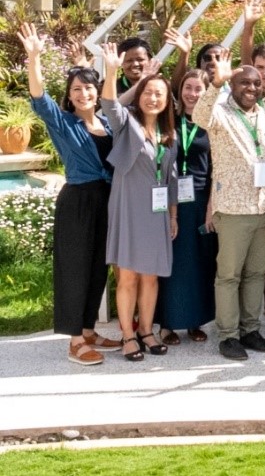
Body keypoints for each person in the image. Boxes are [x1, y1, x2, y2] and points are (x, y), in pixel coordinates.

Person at [19, 23, 119, 366]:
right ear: (70, 94)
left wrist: (114, 70)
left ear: (97, 90)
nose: (83, 94)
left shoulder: (107, 124)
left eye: (88, 88)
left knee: (97, 268)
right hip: (78, 200)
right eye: (76, 89)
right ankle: (75, 341)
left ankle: (89, 329)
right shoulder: (64, 122)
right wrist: (34, 58)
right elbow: (38, 99)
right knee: (75, 268)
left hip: (106, 200)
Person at [194, 49, 265, 361]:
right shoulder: (220, 113)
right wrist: (215, 84)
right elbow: (199, 116)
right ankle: (228, 335)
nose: (251, 88)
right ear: (233, 86)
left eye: (256, 84)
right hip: (233, 209)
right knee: (229, 275)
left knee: (256, 274)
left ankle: (251, 330)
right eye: (244, 84)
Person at [98, 43, 177, 362]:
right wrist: (113, 70)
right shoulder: (126, 123)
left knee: (151, 275)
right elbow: (108, 104)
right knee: (128, 275)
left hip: (157, 213)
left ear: (166, 100)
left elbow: (169, 179)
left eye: (159, 93)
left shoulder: (168, 133)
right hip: (128, 210)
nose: (153, 98)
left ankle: (147, 330)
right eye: (148, 92)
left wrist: (173, 216)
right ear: (139, 94)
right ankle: (128, 335)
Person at [157, 70, 218, 345]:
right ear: (180, 90)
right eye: (188, 88)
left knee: (200, 261)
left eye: (199, 89)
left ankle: (196, 320)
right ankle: (167, 323)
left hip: (202, 199)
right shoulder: (168, 120)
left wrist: (211, 206)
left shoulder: (212, 124)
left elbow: (218, 167)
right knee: (172, 261)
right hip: (171, 198)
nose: (193, 94)